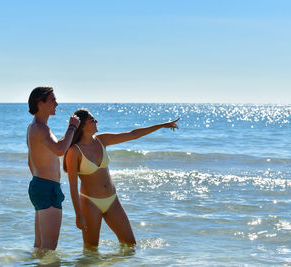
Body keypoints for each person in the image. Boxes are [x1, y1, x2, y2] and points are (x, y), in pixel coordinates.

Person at [63, 108, 179, 250]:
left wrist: (161, 125)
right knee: (91, 251)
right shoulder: (74, 151)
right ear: (82, 125)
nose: (96, 121)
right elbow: (73, 186)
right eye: (92, 120)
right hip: (90, 203)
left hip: (112, 200)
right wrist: (78, 215)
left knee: (130, 246)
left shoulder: (101, 140)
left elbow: (133, 134)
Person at [26, 86, 80, 250]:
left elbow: (31, 161)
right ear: (40, 103)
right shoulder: (41, 128)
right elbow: (60, 150)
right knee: (49, 248)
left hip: (40, 185)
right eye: (53, 100)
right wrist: (72, 127)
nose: (57, 104)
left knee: (40, 247)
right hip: (47, 188)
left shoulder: (34, 127)